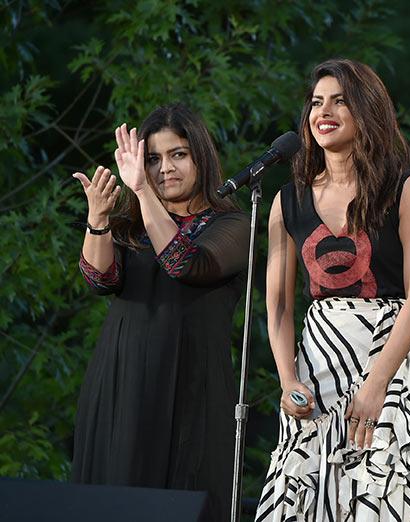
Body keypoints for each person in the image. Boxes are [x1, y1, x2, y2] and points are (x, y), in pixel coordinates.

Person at [255, 58, 410, 521]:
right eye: (317, 102)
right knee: (303, 491)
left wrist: (378, 384)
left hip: (387, 354)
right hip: (318, 361)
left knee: (379, 490)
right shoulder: (287, 200)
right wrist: (287, 380)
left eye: (339, 100)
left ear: (367, 110)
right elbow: (276, 304)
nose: (324, 111)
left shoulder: (407, 189)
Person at [71, 103, 250, 522]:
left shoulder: (234, 224)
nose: (164, 168)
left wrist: (141, 192)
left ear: (200, 157)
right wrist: (98, 220)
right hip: (121, 385)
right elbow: (99, 280)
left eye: (178, 155)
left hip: (192, 390)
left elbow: (183, 263)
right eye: (152, 159)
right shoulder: (133, 227)